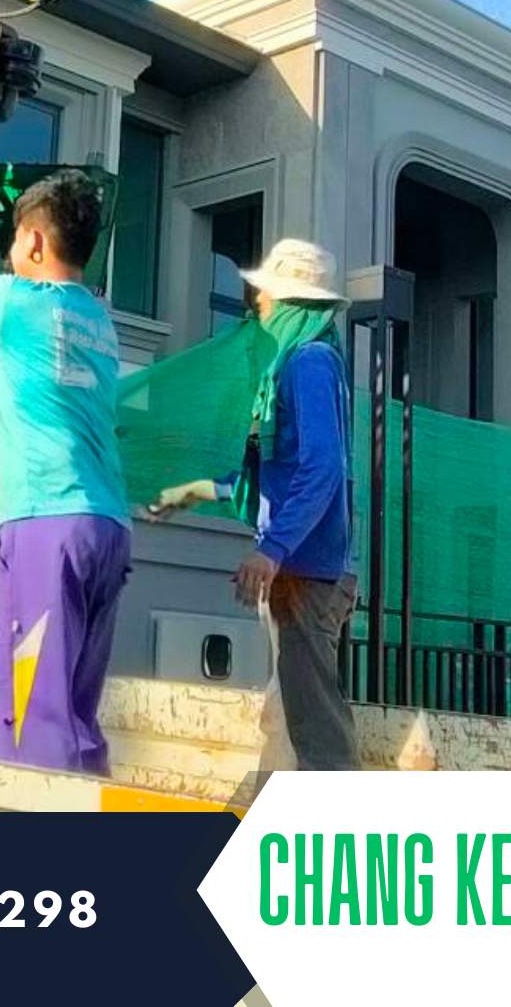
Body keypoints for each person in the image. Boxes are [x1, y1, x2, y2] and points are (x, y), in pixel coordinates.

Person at [0, 169, 130, 775]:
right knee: (72, 707)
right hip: (106, 525)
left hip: (45, 522)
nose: (11, 254)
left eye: (15, 240)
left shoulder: (16, 303)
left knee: (29, 709)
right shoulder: (100, 320)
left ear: (36, 242)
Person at [151, 238, 359, 770]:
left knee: (315, 731)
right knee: (286, 719)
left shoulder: (307, 363)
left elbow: (322, 468)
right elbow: (282, 469)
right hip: (301, 571)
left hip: (305, 574)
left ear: (290, 303)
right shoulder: (301, 362)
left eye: (265, 295)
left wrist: (272, 549)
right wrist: (201, 490)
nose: (256, 305)